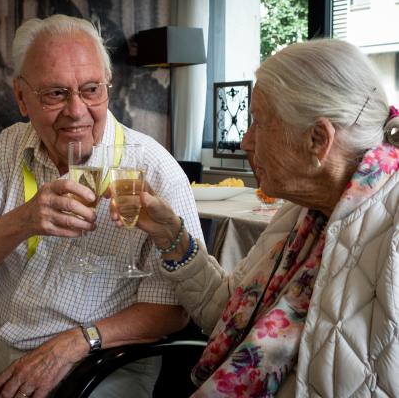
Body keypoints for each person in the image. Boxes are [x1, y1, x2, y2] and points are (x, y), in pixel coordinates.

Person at [0, 14, 203, 398]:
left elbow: (176, 310)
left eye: (91, 89)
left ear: (107, 87)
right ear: (22, 98)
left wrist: (75, 342)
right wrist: (24, 220)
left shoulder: (154, 168)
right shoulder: (10, 146)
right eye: (55, 93)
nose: (77, 111)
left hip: (105, 360)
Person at [111, 38, 399, 397]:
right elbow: (229, 315)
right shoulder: (300, 213)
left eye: (259, 122)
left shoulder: (392, 234)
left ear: (318, 140)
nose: (246, 141)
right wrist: (172, 236)